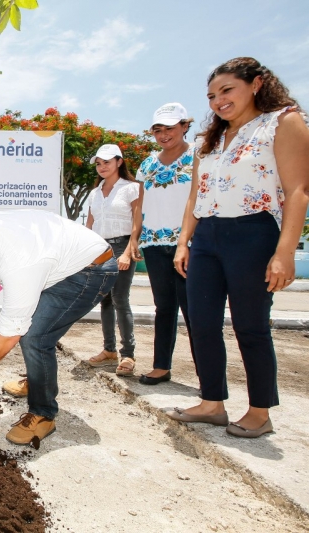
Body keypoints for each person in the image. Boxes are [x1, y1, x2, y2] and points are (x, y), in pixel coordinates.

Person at [169, 57, 309, 438]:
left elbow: (299, 190)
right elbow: (195, 196)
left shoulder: (283, 121)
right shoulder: (207, 140)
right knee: (202, 323)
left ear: (257, 84)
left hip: (254, 233)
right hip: (207, 238)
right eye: (212, 95)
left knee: (250, 327)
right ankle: (212, 403)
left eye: (227, 90)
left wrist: (285, 252)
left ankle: (260, 412)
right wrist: (184, 243)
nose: (218, 101)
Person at [0, 211, 117, 444]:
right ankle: (37, 380)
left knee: (35, 337)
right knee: (31, 329)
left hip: (90, 271)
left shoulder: (20, 262)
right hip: (58, 262)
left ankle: (43, 413)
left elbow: (9, 335)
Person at [136, 104, 197, 385]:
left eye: (170, 128)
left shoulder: (200, 155)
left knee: (195, 309)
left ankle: (206, 375)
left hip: (190, 244)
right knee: (164, 307)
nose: (163, 135)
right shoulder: (147, 164)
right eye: (158, 130)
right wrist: (134, 240)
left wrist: (185, 240)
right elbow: (139, 207)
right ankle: (161, 366)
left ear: (185, 126)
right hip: (153, 243)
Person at [85, 144, 143, 377]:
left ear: (119, 162)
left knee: (120, 298)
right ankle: (109, 350)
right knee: (105, 300)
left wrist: (128, 252)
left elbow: (137, 223)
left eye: (107, 162)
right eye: (98, 163)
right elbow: (89, 225)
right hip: (100, 248)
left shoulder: (132, 188)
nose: (102, 167)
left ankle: (128, 353)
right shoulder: (94, 193)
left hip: (122, 244)